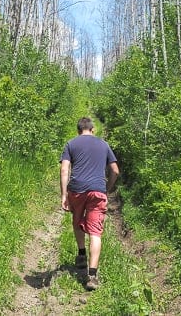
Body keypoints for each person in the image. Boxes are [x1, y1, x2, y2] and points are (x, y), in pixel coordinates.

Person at [59, 117, 120, 291]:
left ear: (79, 130)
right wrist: (106, 189)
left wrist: (64, 194)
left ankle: (81, 254)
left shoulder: (71, 144)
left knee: (77, 220)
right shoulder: (103, 144)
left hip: (77, 190)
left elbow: (64, 169)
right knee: (95, 232)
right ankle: (92, 275)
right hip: (97, 190)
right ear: (93, 130)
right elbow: (115, 170)